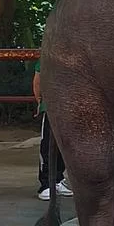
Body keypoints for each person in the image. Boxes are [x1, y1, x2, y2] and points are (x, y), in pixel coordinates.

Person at [32, 59, 71, 200]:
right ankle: (46, 184)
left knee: (64, 146)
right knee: (48, 144)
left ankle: (58, 180)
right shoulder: (46, 57)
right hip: (51, 107)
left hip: (70, 108)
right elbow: (38, 80)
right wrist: (40, 102)